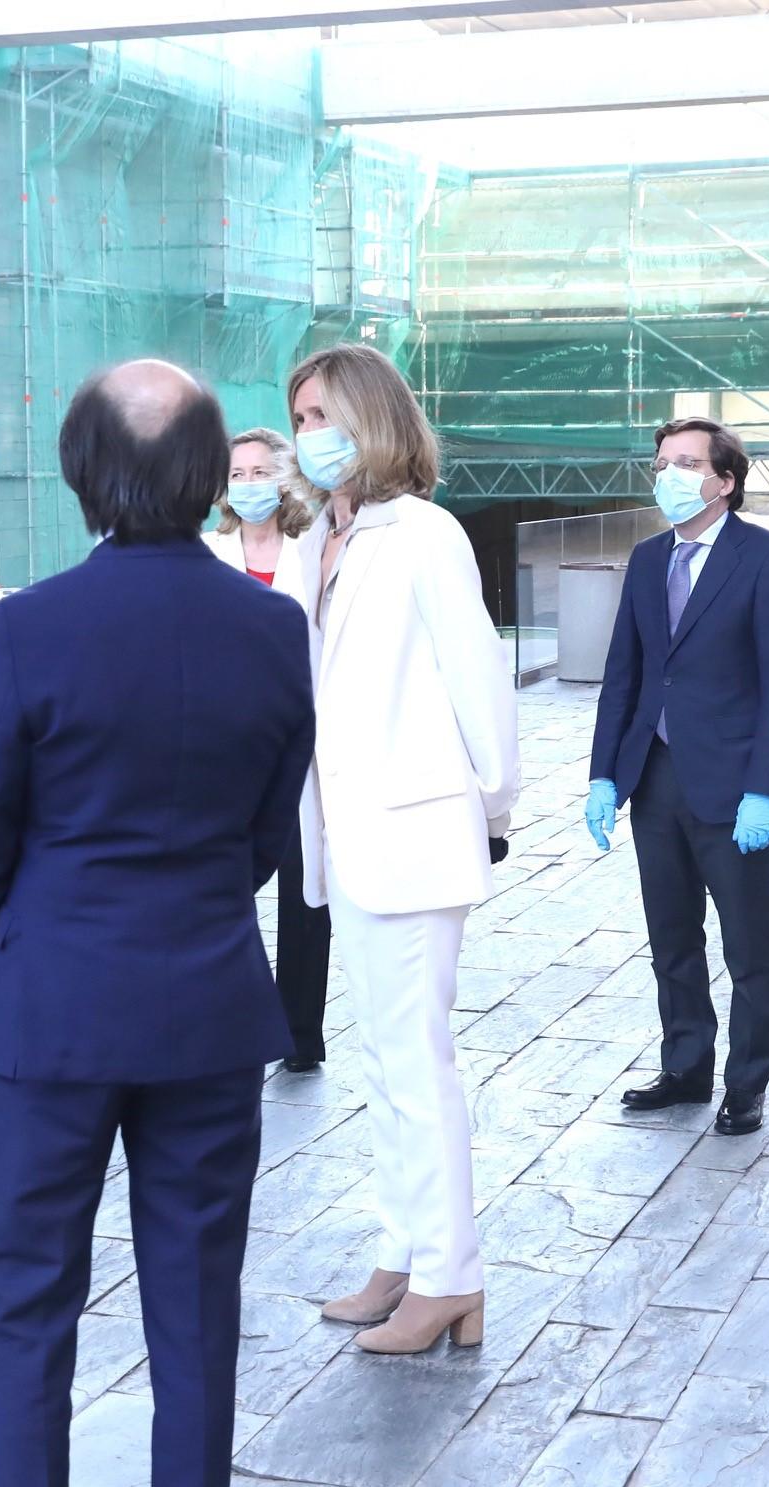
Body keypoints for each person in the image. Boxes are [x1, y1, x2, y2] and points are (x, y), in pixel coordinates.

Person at [0, 358, 312, 1487]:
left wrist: (39, 936)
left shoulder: (25, 631)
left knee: (25, 1300)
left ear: (83, 475)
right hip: (208, 1001)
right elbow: (266, 826)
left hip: (53, 1005)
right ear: (211, 476)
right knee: (200, 1305)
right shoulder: (272, 629)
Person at [289, 343, 521, 1355]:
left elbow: (482, 679)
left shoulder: (424, 533)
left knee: (419, 1062)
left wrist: (491, 808)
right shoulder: (322, 538)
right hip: (349, 840)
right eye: (297, 416)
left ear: (375, 418)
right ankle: (404, 1249)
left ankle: (451, 1276)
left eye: (323, 413)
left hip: (418, 833)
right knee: (383, 1061)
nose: (309, 434)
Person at [585, 418, 769, 1140]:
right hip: (654, 780)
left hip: (731, 785)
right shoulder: (649, 558)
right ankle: (684, 1066)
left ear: (724, 480)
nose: (668, 475)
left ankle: (745, 1083)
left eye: (686, 463)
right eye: (661, 463)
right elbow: (623, 673)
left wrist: (766, 789)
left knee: (748, 946)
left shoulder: (768, 560)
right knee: (671, 938)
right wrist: (602, 775)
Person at [205, 426, 332, 1072]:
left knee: (303, 891)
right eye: (237, 473)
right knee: (223, 891)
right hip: (223, 751)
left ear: (284, 479)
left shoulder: (311, 550)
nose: (249, 485)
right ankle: (234, 1019)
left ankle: (299, 1033)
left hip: (298, 744)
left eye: (260, 472)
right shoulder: (205, 551)